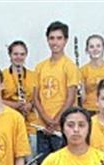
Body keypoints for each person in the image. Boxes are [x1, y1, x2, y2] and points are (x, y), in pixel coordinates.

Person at [33, 21, 80, 157]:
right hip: (43, 127)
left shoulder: (69, 66)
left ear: (65, 40)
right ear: (47, 40)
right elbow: (36, 98)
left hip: (61, 128)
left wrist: (55, 122)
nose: (55, 42)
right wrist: (46, 120)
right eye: (52, 38)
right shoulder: (40, 67)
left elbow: (70, 98)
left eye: (59, 38)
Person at [1, 40, 37, 151]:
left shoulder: (32, 75)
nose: (19, 57)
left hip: (30, 122)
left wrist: (30, 105)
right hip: (10, 121)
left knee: (31, 159)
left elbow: (36, 98)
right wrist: (16, 105)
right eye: (15, 54)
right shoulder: (3, 75)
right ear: (10, 55)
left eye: (22, 54)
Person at [80, 34, 104, 116]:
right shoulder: (82, 71)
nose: (95, 49)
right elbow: (82, 96)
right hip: (89, 111)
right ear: (87, 50)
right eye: (91, 47)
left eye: (98, 46)